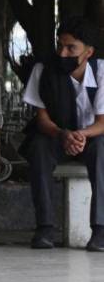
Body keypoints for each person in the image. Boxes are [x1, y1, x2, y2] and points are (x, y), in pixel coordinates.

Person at [20, 17, 104, 251]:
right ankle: (45, 228)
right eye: (60, 46)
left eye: (71, 48)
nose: (63, 53)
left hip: (92, 137)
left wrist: (80, 135)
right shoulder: (43, 70)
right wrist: (62, 134)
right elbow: (42, 119)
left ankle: (100, 230)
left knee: (102, 149)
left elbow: (102, 122)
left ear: (88, 52)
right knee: (38, 147)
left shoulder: (101, 72)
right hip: (56, 137)